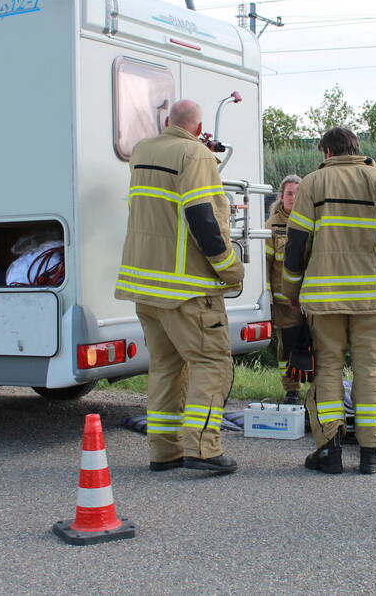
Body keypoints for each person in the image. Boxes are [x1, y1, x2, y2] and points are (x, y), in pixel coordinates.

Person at [115, 99, 244, 475]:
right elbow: (201, 216)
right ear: (198, 125)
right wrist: (229, 268)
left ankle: (164, 450)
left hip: (145, 286)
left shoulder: (141, 151)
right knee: (211, 363)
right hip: (187, 287)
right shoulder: (196, 155)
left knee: (166, 367)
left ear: (168, 121)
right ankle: (203, 449)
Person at [282, 127, 376, 475]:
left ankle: (329, 450)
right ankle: (372, 453)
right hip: (371, 296)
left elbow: (297, 242)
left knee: (327, 367)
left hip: (324, 297)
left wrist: (291, 291)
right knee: (371, 368)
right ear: (357, 149)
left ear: (327, 151)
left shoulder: (312, 182)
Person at [265, 174, 306, 404]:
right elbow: (265, 265)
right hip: (283, 300)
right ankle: (292, 389)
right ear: (281, 197)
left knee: (315, 342)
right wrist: (267, 296)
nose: (293, 198)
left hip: (310, 298)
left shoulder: (311, 220)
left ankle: (318, 385)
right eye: (289, 193)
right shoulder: (272, 226)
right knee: (288, 344)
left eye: (298, 193)